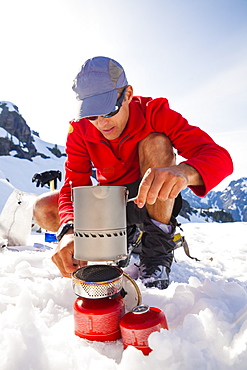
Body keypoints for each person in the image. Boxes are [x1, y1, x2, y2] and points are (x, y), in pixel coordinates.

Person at [33, 56, 233, 289]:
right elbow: (74, 185)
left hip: (150, 198)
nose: (100, 123)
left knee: (157, 142)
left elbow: (221, 158)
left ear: (127, 94)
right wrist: (69, 230)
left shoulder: (154, 113)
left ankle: (156, 248)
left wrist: (184, 172)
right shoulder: (79, 129)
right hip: (110, 204)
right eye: (91, 115)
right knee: (44, 208)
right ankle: (128, 235)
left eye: (108, 111)